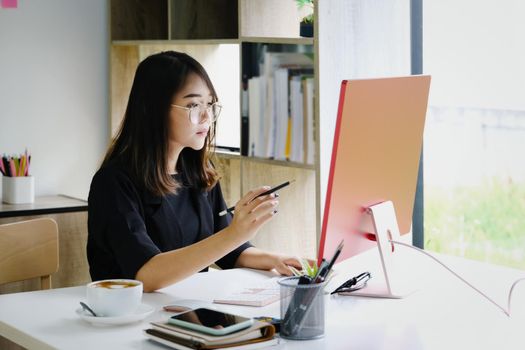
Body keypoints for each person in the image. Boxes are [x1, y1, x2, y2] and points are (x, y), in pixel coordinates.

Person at [87, 51, 304, 292]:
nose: (206, 116)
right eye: (193, 105)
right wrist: (235, 233)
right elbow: (146, 275)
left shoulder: (198, 172)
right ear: (154, 109)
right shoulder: (113, 183)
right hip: (137, 319)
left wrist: (275, 259)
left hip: (187, 309)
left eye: (209, 104)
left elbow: (229, 251)